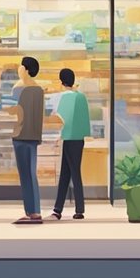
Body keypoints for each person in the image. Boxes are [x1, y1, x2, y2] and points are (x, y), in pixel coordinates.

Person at [3, 56, 45, 225]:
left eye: (21, 67)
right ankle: (35, 210)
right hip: (33, 135)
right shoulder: (39, 90)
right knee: (31, 173)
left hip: (20, 134)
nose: (19, 69)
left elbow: (10, 109)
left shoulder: (19, 88)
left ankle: (32, 212)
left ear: (25, 70)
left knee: (25, 175)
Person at [51, 68, 90, 221]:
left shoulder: (63, 97)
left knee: (70, 173)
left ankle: (76, 209)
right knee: (70, 172)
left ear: (61, 81)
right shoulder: (81, 97)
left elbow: (61, 119)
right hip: (79, 139)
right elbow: (85, 120)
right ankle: (59, 209)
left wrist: (58, 135)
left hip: (68, 138)